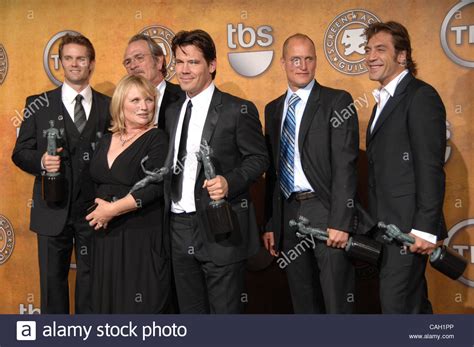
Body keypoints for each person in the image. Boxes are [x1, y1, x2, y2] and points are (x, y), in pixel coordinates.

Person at [164, 29, 269, 313]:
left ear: (211, 65)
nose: (184, 70)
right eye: (179, 62)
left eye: (193, 62)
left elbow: (259, 159)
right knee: (190, 317)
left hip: (220, 226)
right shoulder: (172, 111)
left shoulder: (237, 110)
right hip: (178, 228)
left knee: (224, 320)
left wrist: (229, 181)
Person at [12, 34, 110, 313]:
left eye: (81, 58)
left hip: (94, 212)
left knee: (92, 286)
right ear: (60, 63)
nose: (74, 64)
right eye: (68, 58)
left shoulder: (109, 105)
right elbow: (19, 153)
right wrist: (42, 161)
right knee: (52, 287)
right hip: (50, 209)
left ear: (91, 63)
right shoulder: (38, 103)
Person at [263, 33, 361, 314]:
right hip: (289, 212)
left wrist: (341, 221)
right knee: (303, 302)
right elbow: (273, 170)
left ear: (316, 61)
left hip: (325, 210)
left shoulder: (337, 102)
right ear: (283, 62)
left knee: (336, 298)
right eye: (295, 59)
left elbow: (346, 167)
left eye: (309, 58)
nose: (302, 65)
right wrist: (271, 223)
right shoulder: (273, 109)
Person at [364, 21, 446, 313]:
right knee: (412, 306)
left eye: (380, 49)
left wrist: (425, 228)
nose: (371, 56)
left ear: (402, 55)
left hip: (410, 229)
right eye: (368, 49)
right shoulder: (382, 103)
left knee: (397, 307)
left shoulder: (420, 96)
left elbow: (430, 166)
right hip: (386, 228)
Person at [86, 75, 170, 313]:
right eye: (135, 100)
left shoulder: (157, 138)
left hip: (140, 236)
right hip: (105, 238)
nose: (144, 107)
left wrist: (112, 210)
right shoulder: (105, 140)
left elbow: (154, 187)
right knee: (107, 307)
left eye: (149, 100)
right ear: (120, 104)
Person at [123, 34, 184, 129]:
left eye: (139, 58)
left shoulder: (183, 98)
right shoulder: (122, 104)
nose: (132, 66)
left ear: (159, 61)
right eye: (128, 62)